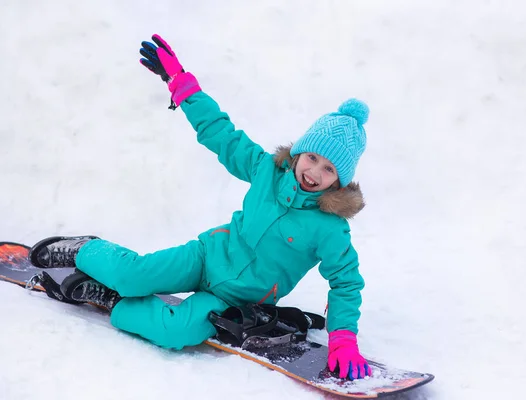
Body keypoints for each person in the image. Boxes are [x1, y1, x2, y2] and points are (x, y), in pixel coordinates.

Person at [28, 34, 372, 380]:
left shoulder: (329, 226)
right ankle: (86, 250)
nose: (314, 172)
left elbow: (346, 281)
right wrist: (182, 86)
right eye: (312, 157)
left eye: (329, 169)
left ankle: (110, 299)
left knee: (176, 332)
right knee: (133, 275)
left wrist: (343, 338)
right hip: (206, 257)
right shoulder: (267, 170)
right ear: (300, 152)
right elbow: (223, 135)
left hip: (236, 298)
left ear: (339, 180)